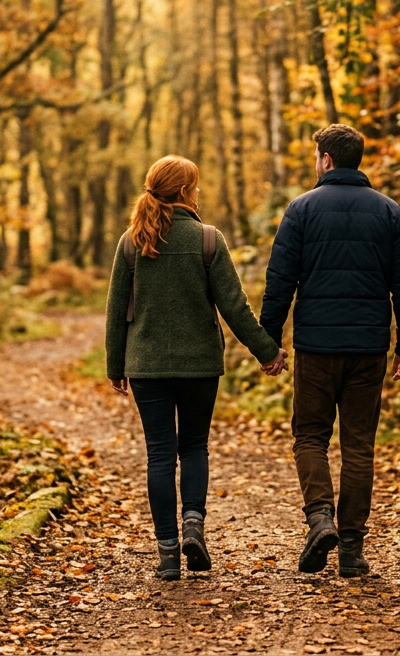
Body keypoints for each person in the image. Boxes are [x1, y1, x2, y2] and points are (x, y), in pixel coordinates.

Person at [106, 155, 288, 581]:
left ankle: (168, 552)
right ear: (186, 191)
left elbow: (116, 311)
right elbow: (235, 307)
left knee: (159, 456)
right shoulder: (208, 239)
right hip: (199, 365)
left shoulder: (131, 242)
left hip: (147, 365)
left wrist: (116, 365)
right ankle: (193, 525)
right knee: (194, 448)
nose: (199, 193)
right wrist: (267, 351)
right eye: (197, 186)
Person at [259, 124, 400, 578]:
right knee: (358, 445)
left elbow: (280, 283)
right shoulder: (389, 212)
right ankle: (351, 548)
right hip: (369, 347)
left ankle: (320, 520)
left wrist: (267, 343)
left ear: (326, 159)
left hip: (315, 347)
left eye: (316, 156)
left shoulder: (301, 209)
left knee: (310, 436)